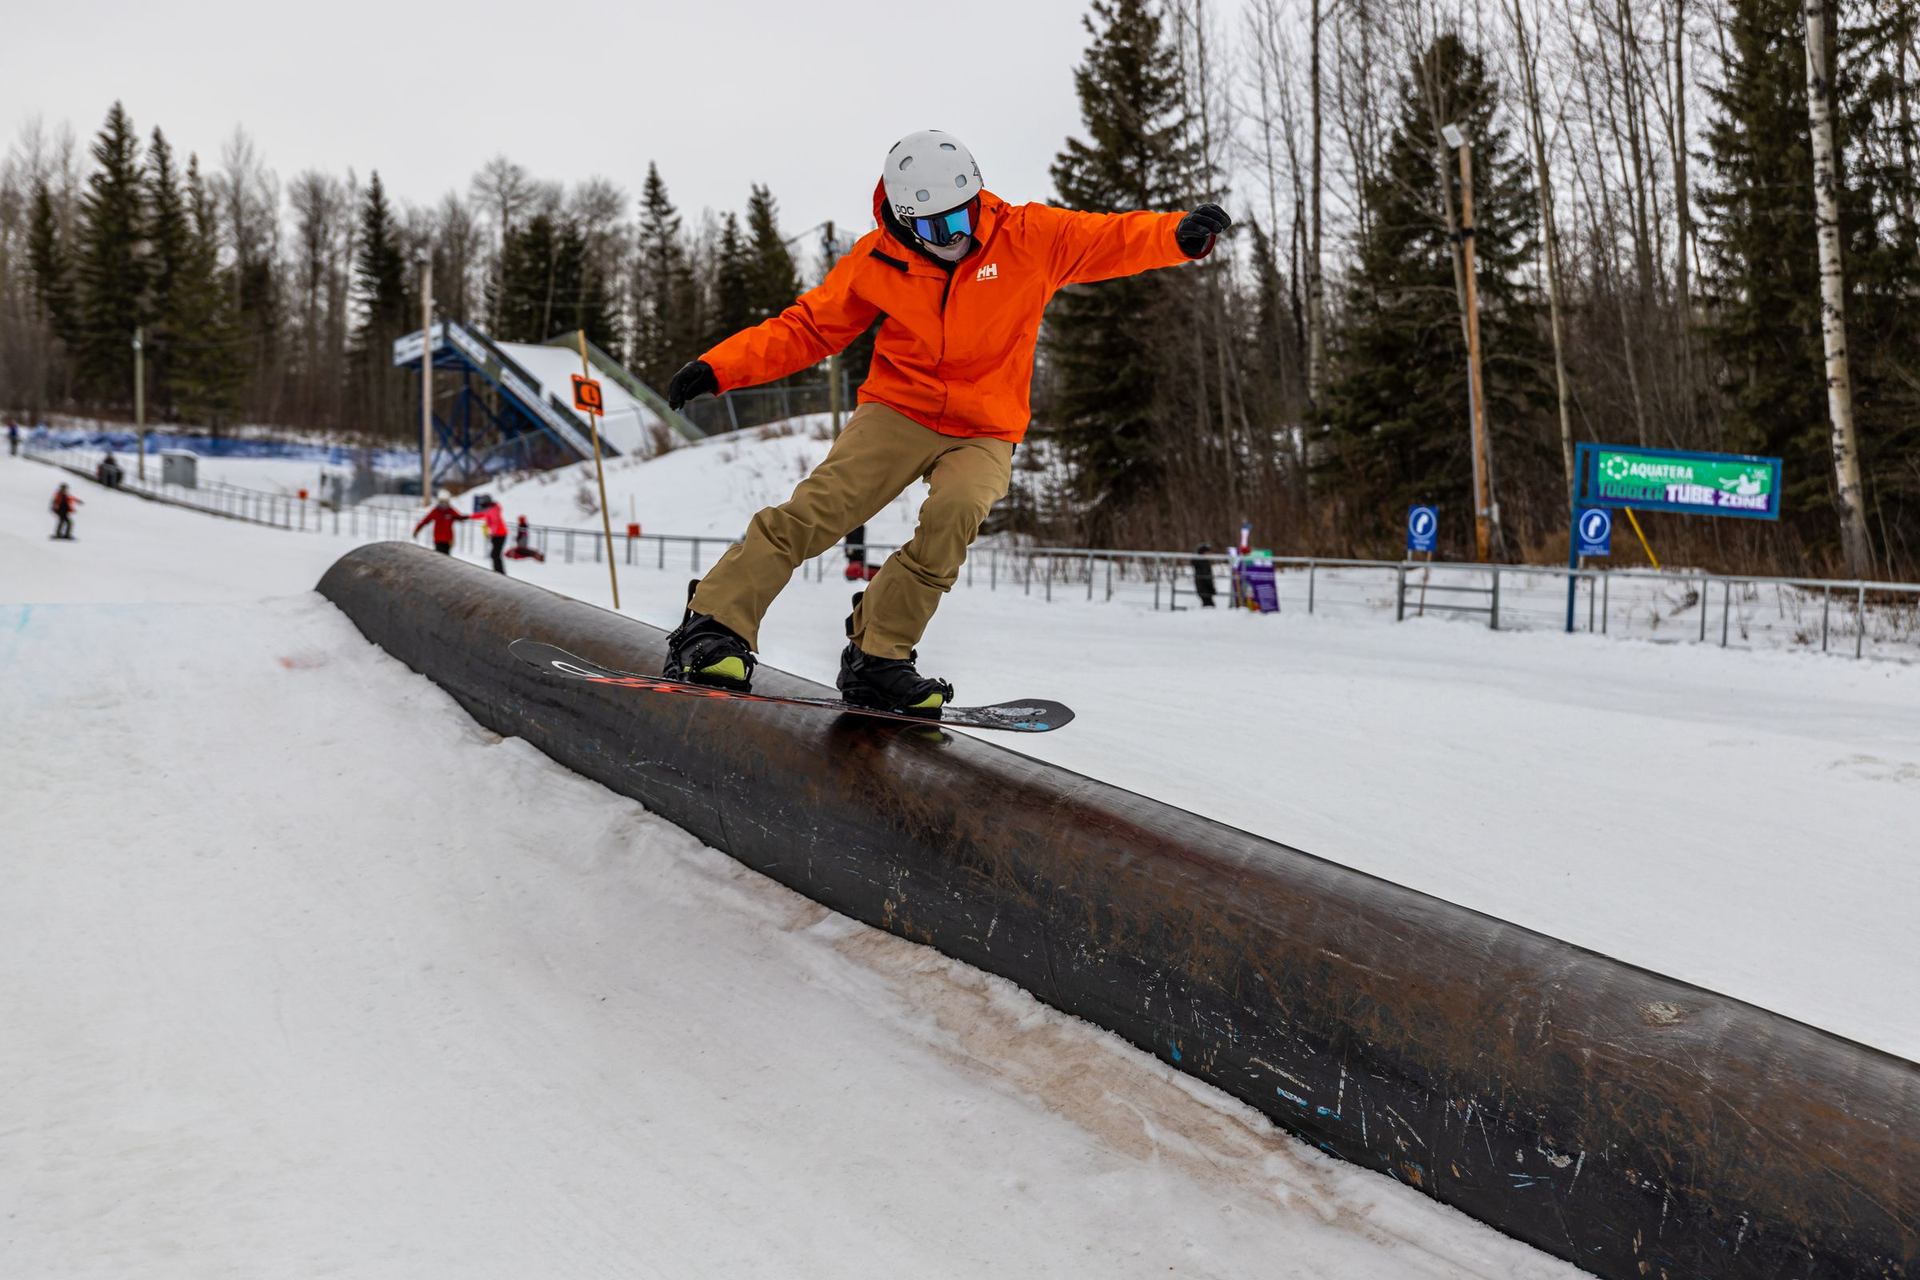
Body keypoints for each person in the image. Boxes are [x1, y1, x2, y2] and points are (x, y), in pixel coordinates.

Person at [662, 129, 1230, 714]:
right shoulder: (877, 258)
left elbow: (1110, 236)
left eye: (965, 216)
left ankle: (878, 655)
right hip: (899, 408)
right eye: (937, 227)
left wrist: (1177, 235)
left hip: (985, 424)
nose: (957, 236)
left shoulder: (1026, 236)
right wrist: (718, 368)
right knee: (819, 511)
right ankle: (713, 626)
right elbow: (808, 328)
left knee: (955, 516)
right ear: (906, 222)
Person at [412, 489, 462, 555]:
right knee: (439, 554)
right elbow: (425, 521)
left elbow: (460, 517)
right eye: (442, 502)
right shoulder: (436, 511)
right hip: (438, 539)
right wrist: (417, 530)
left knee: (446, 555)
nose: (443, 504)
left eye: (445, 502)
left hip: (448, 539)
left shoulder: (451, 511)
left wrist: (471, 516)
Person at [470, 494, 509, 574]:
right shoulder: (489, 509)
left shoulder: (493, 510)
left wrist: (492, 534)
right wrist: (468, 516)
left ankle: (500, 572)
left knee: (495, 554)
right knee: (495, 554)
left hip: (500, 535)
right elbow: (481, 514)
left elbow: (495, 523)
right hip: (497, 535)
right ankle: (498, 571)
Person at [1191, 543, 1217, 608]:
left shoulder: (1202, 562)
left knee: (1207, 605)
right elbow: (1206, 577)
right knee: (1209, 606)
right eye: (1208, 552)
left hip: (1202, 588)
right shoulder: (1203, 563)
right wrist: (1212, 588)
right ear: (1203, 553)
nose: (1210, 554)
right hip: (1205, 589)